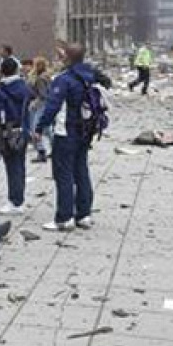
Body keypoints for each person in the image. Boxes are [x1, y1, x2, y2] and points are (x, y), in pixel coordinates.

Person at [35, 44, 111, 232]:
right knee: (81, 171)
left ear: (67, 58)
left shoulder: (64, 80)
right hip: (85, 131)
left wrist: (39, 127)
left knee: (63, 175)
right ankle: (84, 214)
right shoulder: (90, 76)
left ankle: (64, 217)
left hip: (66, 131)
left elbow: (52, 106)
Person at [0, 58, 33, 215]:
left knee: (11, 166)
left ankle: (14, 201)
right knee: (20, 165)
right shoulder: (24, 87)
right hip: (23, 130)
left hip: (8, 132)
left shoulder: (0, 90)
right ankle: (19, 199)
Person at [29, 56, 52, 163]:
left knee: (35, 129)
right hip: (47, 105)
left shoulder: (40, 79)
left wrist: (34, 103)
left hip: (40, 106)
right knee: (47, 129)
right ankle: (55, 148)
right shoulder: (47, 76)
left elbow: (43, 95)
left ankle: (41, 151)